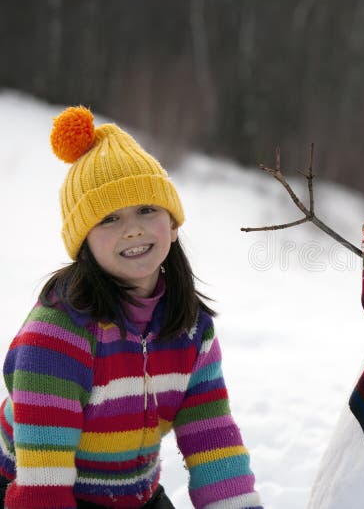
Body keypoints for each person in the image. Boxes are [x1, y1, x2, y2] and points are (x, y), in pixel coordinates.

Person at [0, 106, 263, 508]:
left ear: (173, 225)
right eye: (109, 218)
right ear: (82, 243)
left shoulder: (191, 328)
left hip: (132, 494)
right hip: (36, 489)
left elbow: (212, 440)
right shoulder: (55, 337)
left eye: (146, 209)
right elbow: (43, 487)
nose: (133, 229)